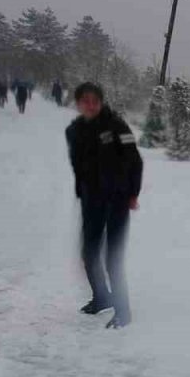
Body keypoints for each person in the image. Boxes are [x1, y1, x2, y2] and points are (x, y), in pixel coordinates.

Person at [65, 82, 142, 329]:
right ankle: (102, 297)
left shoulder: (117, 126)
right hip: (92, 200)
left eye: (94, 100)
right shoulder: (74, 130)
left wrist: (133, 193)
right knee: (88, 253)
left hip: (117, 200)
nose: (90, 105)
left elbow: (135, 161)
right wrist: (81, 190)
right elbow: (77, 164)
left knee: (112, 258)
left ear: (100, 102)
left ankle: (123, 311)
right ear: (78, 103)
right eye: (84, 100)